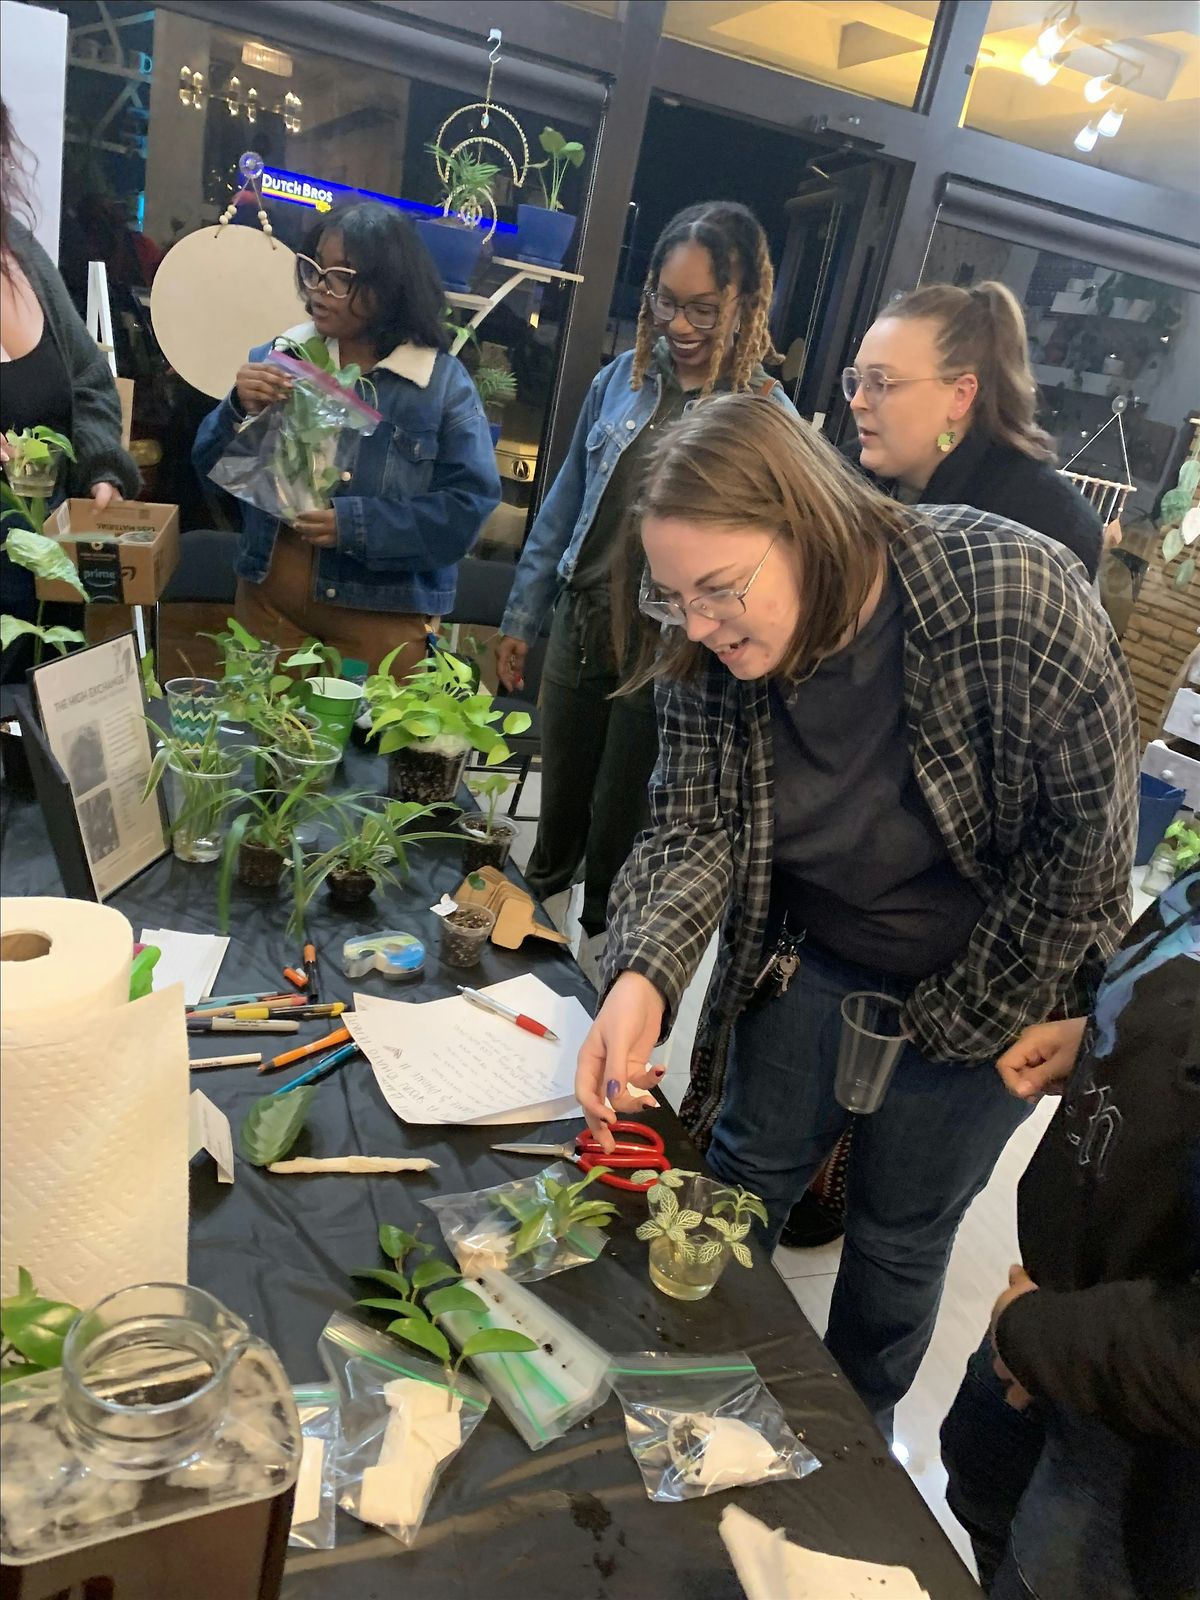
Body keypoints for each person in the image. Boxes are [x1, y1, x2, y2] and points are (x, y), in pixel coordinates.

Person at [575, 394, 1138, 1433]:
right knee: (739, 1177)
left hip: (1004, 976)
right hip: (815, 957)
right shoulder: (704, 639)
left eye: (720, 590)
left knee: (899, 1232)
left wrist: (947, 1030)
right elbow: (692, 825)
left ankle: (850, 1443)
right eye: (671, 596)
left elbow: (1086, 859)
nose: (695, 625)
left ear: (811, 526)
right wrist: (643, 973)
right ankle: (684, 1397)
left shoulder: (1013, 593)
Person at [494, 201, 797, 946]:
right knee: (557, 816)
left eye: (704, 308)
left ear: (745, 303)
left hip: (672, 648)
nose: (680, 325)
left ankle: (605, 962)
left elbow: (780, 557)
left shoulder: (763, 414)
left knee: (624, 827)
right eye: (666, 301)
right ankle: (527, 954)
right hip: (583, 622)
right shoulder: (618, 383)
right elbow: (563, 508)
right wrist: (523, 617)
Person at [940, 871, 1200, 1600]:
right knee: (979, 1493)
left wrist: (1034, 1335)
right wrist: (1117, 1034)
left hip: (1146, 1436)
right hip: (1060, 1312)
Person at [193, 201, 499, 672]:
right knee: (259, 719)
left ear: (389, 287)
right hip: (268, 605)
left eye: (341, 276)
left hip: (381, 620)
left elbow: (467, 509)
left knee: (364, 724)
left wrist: (355, 526)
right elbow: (209, 468)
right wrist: (236, 407)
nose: (319, 288)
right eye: (314, 268)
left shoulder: (439, 386)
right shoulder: (283, 356)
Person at [0, 99, 139, 685]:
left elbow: (88, 378)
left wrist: (102, 468)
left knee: (41, 717)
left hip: (47, 571)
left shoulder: (20, 251)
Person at [843, 281, 1102, 579]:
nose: (857, 402)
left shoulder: (1043, 526)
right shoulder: (843, 476)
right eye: (858, 380)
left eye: (880, 383)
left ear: (960, 395)